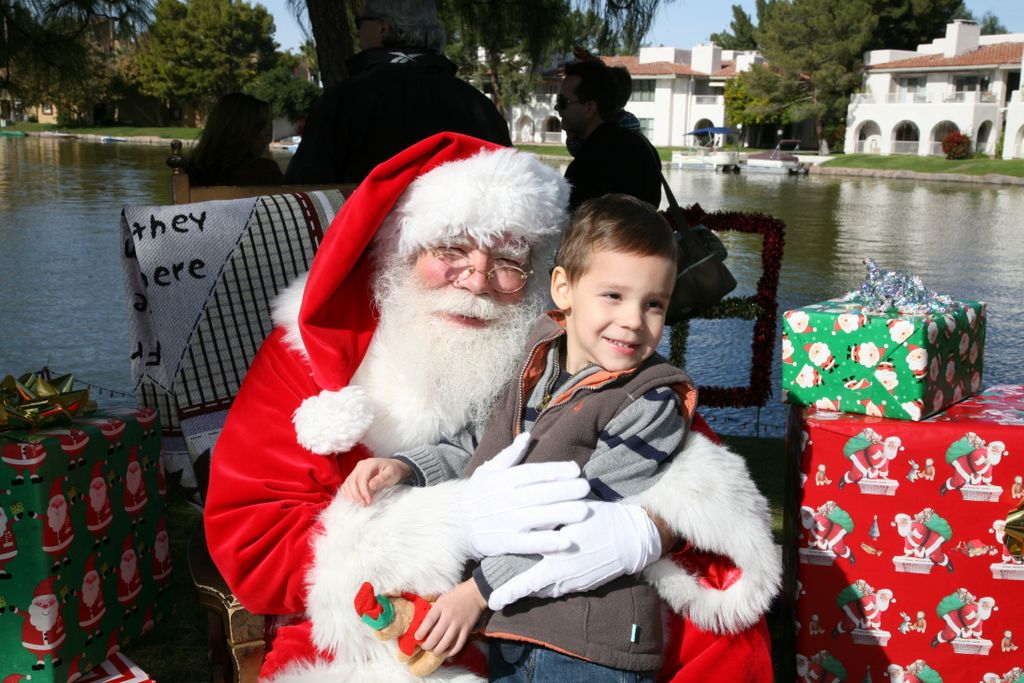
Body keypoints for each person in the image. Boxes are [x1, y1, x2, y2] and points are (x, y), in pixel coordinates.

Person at [204, 132, 780, 681]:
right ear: (398, 250)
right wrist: (452, 526)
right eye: (450, 249)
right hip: (376, 623)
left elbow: (684, 457)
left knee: (718, 633)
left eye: (508, 260)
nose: (477, 279)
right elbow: (253, 540)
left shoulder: (552, 345)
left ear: (542, 279)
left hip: (559, 601)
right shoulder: (310, 354)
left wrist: (645, 528)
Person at [342, 194, 696, 680]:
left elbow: (581, 522)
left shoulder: (649, 402)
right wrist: (408, 467)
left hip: (588, 639)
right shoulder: (532, 359)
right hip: (516, 623)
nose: (634, 320)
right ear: (563, 289)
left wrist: (476, 593)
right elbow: (478, 444)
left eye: (653, 304)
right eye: (613, 296)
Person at [283, 0, 511, 184]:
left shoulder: (340, 103)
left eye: (359, 22)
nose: (358, 31)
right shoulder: (480, 106)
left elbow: (303, 193)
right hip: (458, 240)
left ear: (383, 27)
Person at [556, 60, 661, 210]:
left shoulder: (588, 164)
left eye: (562, 102)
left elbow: (571, 224)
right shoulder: (643, 147)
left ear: (590, 108)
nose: (557, 109)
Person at [185, 93, 284, 187]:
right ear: (241, 131)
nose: (268, 136)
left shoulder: (189, 173)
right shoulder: (266, 171)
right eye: (262, 126)